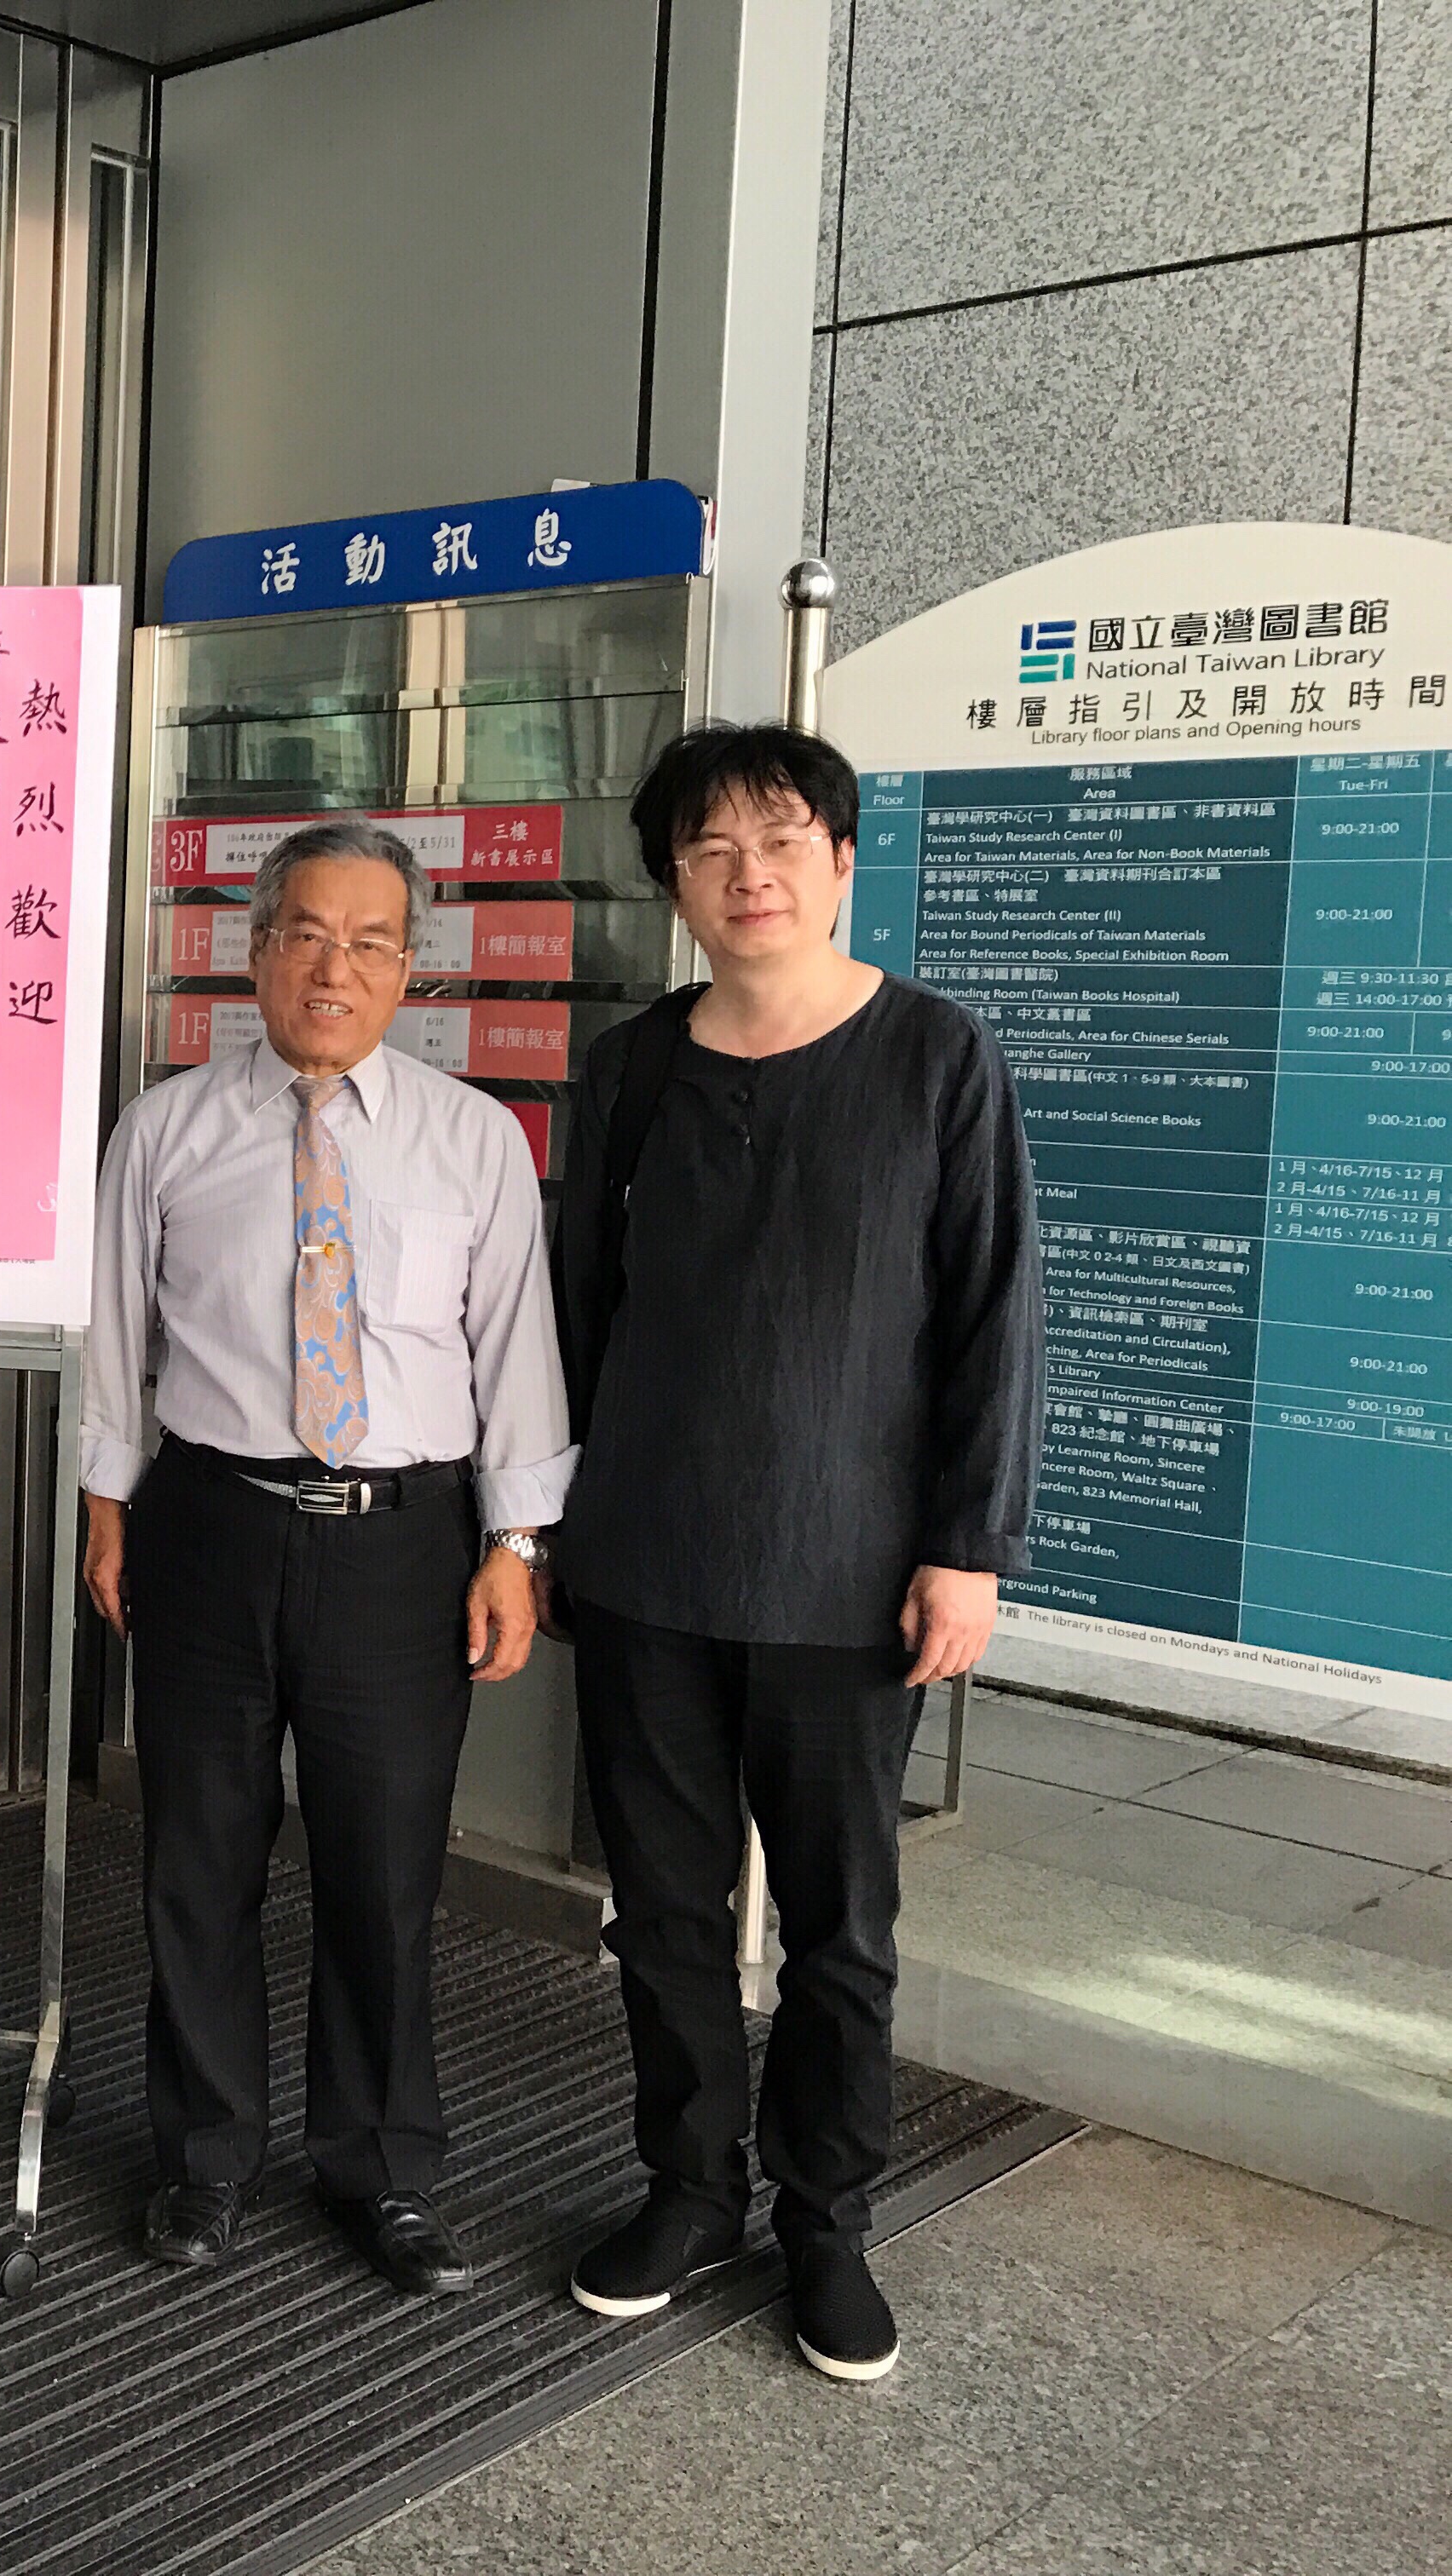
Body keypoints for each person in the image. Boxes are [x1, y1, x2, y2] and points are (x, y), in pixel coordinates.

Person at [554, 722, 1040, 2383]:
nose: (744, 872)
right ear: (671, 883)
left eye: (776, 839)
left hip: (845, 1580)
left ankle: (825, 2221)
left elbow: (991, 1316)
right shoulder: (630, 1070)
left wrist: (965, 1546)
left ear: (838, 861)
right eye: (707, 848)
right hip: (644, 1570)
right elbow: (576, 1312)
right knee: (661, 1911)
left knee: (839, 1927)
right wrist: (544, 1528)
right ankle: (689, 2189)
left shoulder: (934, 1057)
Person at [82, 819, 573, 2291]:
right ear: (253, 952)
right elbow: (114, 1334)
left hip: (398, 1547)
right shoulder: (166, 1128)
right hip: (208, 1526)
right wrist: (106, 1506)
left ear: (410, 967)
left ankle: (379, 2166)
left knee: (384, 1867)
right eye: (304, 933)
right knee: (197, 1858)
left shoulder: (471, 1138)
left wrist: (514, 1541)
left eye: (367, 942)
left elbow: (515, 1350)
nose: (331, 966)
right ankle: (204, 2156)